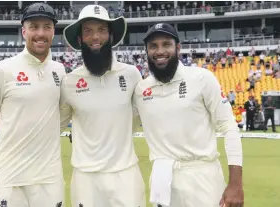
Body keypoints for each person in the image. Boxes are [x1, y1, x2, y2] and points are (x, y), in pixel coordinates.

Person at [133, 23, 244, 207]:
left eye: (166, 44)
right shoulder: (141, 89)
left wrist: (236, 184)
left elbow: (229, 127)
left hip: (202, 176)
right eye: (153, 46)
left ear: (177, 48)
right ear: (147, 52)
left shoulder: (201, 78)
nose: (160, 51)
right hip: (162, 179)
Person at [0, 3, 66, 207]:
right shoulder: (3, 70)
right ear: (24, 31)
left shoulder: (60, 71)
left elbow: (62, 117)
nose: (40, 33)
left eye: (47, 27)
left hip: (49, 180)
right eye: (34, 27)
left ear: (53, 32)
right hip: (9, 179)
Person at [61, 5, 145, 207]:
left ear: (111, 35)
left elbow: (144, 115)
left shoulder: (131, 74)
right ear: (80, 39)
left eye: (101, 30)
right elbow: (53, 124)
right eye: (88, 31)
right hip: (85, 179)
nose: (95, 37)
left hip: (126, 175)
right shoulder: (70, 81)